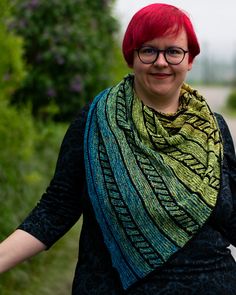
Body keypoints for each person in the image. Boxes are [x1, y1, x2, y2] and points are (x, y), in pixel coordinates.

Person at [1, 3, 236, 294]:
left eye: (174, 51)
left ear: (189, 60)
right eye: (148, 50)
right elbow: (56, 210)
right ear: (131, 57)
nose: (161, 62)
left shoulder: (214, 129)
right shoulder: (94, 124)